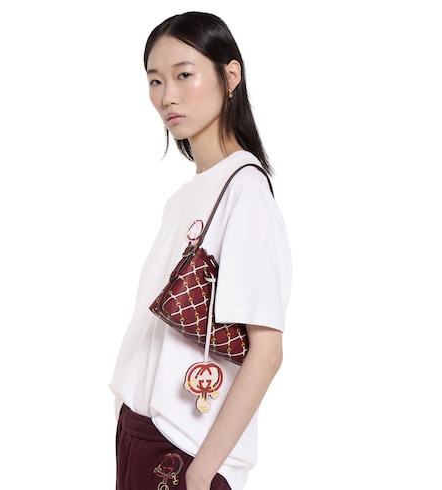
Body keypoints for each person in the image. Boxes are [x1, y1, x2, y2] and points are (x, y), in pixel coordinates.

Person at [110, 11, 292, 490]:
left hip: (184, 447)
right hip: (139, 433)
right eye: (155, 80)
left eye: (184, 75)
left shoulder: (245, 191)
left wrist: (202, 472)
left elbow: (267, 351)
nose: (167, 96)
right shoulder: (185, 198)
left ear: (230, 77)